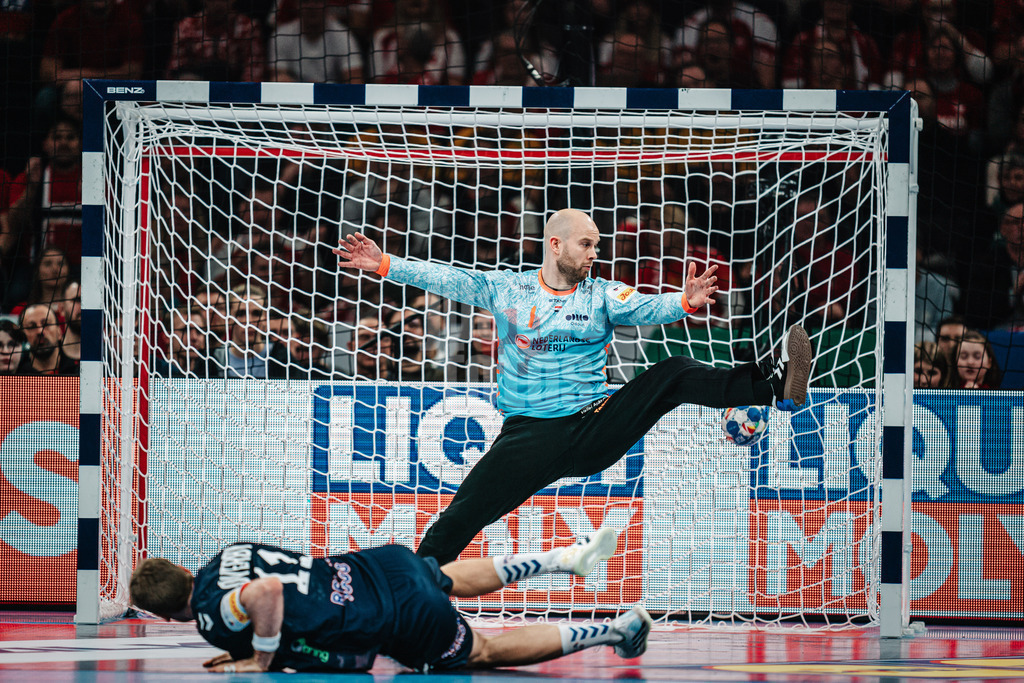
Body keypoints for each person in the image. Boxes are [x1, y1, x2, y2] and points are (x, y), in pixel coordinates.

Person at [333, 208, 813, 564]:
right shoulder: (508, 289)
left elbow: (645, 306)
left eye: (598, 245)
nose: (595, 253)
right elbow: (448, 279)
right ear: (556, 245)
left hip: (593, 425)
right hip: (530, 435)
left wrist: (682, 302)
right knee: (460, 518)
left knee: (673, 373)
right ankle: (412, 596)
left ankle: (771, 385)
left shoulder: (602, 294)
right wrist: (383, 264)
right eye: (587, 244)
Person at [128, 527, 652, 673]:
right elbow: (265, 577)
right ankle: (564, 558)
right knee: (441, 574)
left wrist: (260, 658)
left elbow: (263, 594)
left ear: (162, 610)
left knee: (482, 652)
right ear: (179, 567)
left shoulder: (209, 614)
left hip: (387, 616)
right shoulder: (227, 554)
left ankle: (618, 629)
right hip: (377, 567)